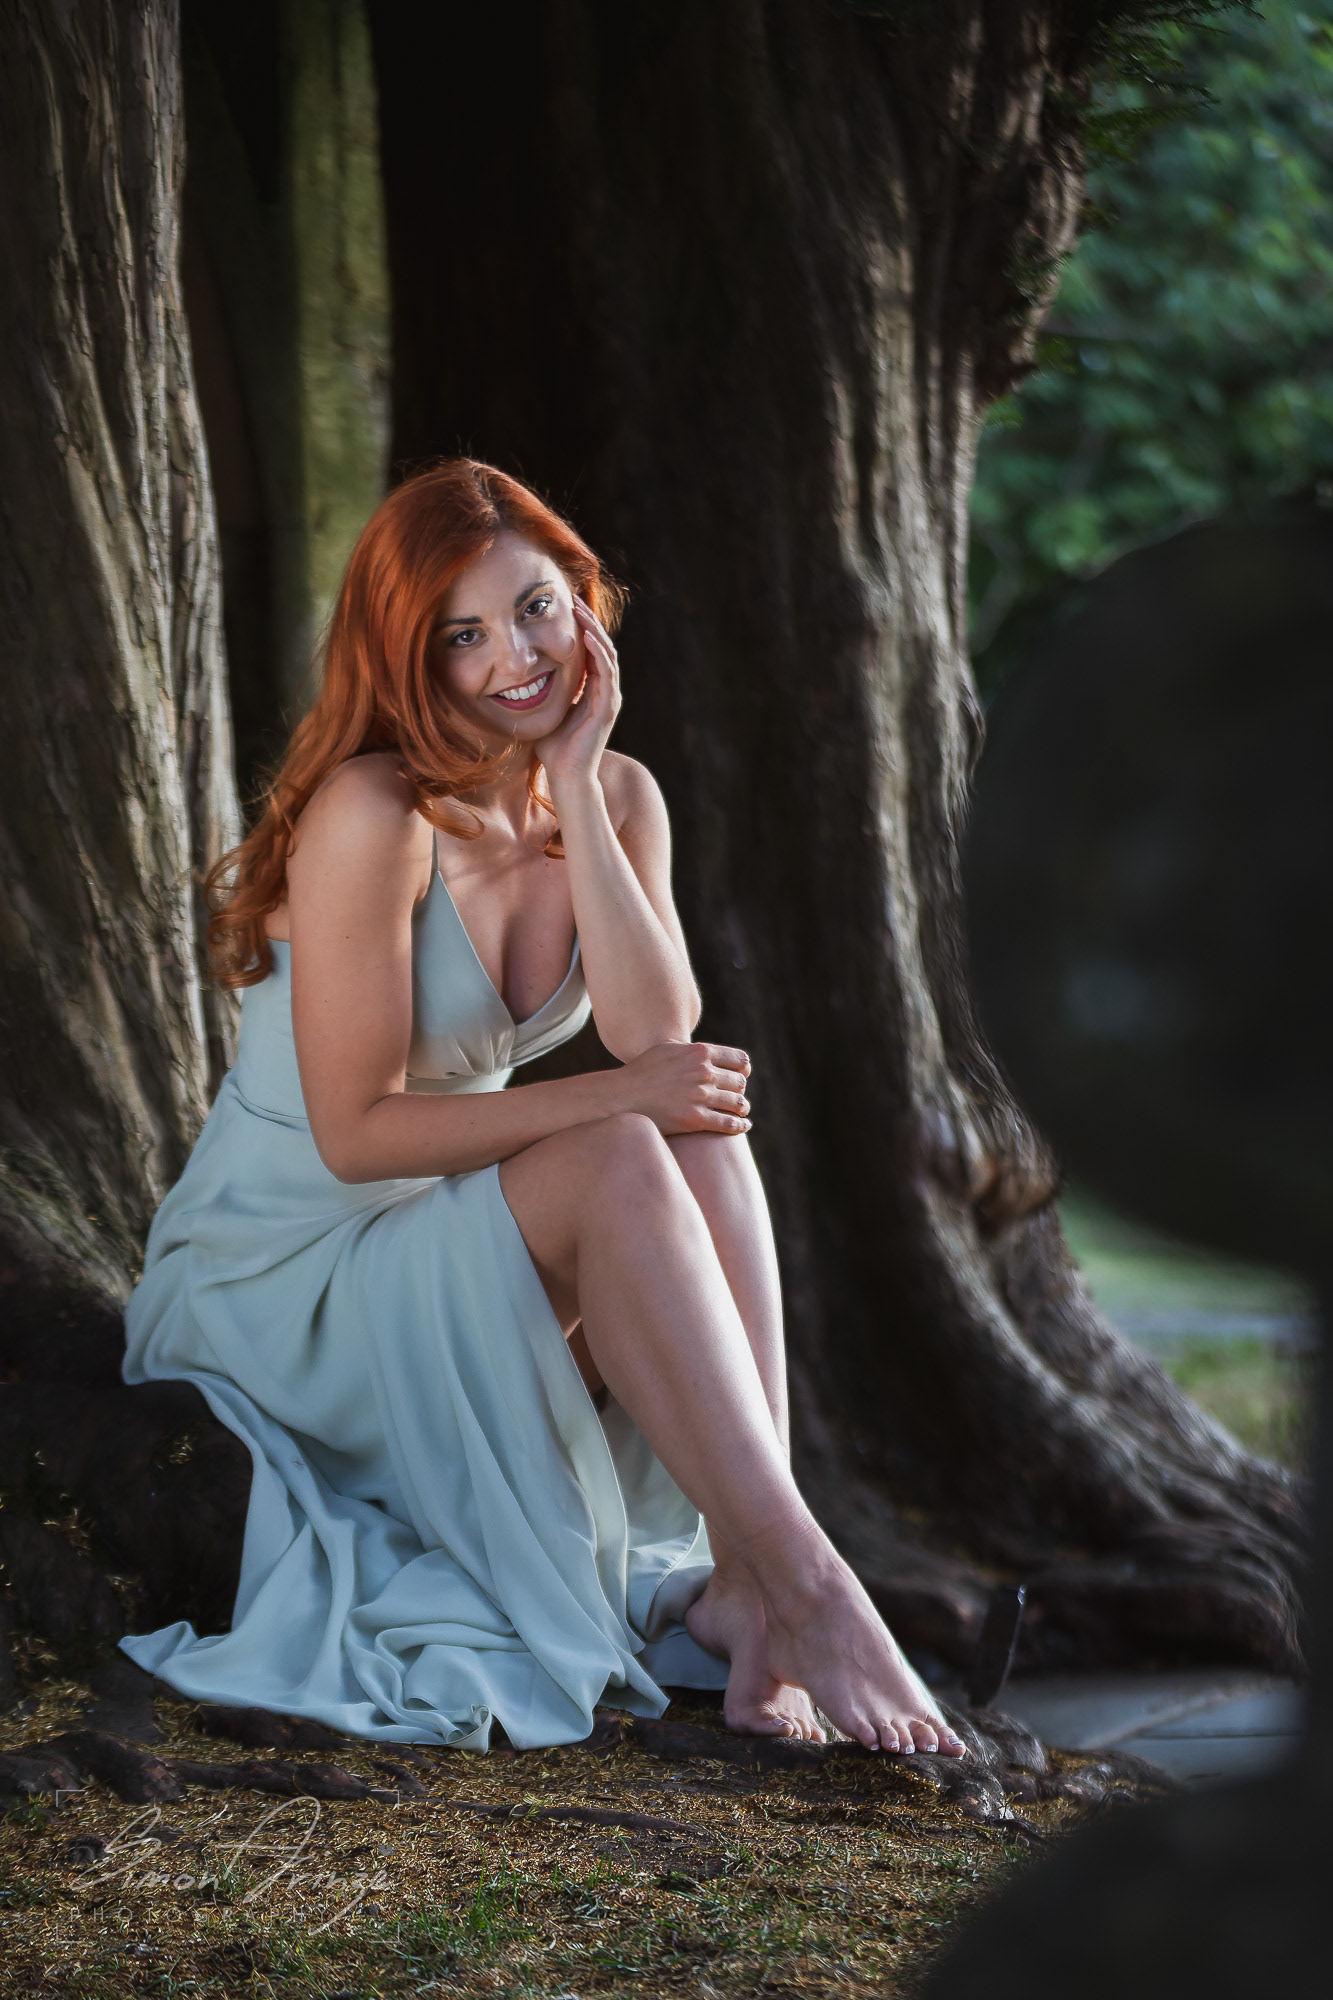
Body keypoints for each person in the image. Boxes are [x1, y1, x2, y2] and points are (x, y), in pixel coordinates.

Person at [117, 459, 966, 1759]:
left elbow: (655, 1038)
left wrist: (576, 780)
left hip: (441, 1245)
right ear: (410, 658)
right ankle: (813, 1592)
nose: (512, 657)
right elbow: (354, 1136)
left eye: (533, 608)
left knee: (680, 1128)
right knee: (628, 1133)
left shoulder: (617, 797)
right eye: (461, 636)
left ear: (584, 602)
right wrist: (612, 1101)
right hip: (288, 1283)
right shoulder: (373, 810)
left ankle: (751, 1573)